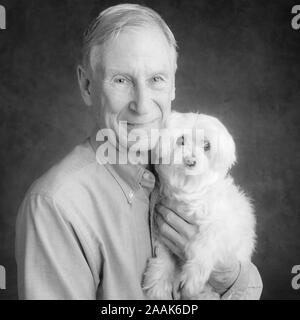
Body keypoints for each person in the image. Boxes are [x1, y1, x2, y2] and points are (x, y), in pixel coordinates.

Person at [15, 3, 263, 300]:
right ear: (86, 86)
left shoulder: (191, 174)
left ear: (172, 86)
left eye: (156, 79)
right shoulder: (56, 205)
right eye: (121, 80)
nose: (142, 105)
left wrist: (226, 275)